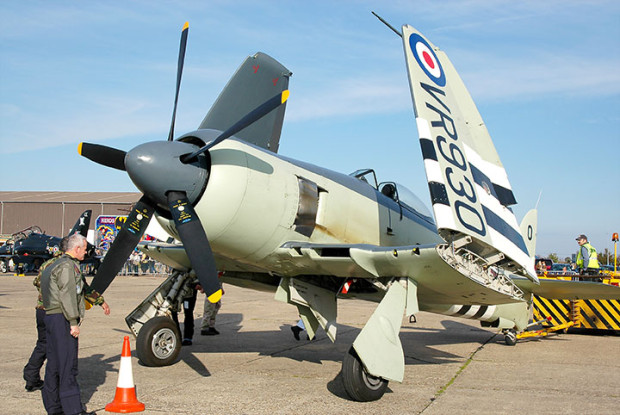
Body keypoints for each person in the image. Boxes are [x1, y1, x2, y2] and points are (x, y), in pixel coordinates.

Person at [23, 237, 110, 393]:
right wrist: (100, 301)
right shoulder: (68, 266)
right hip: (59, 312)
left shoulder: (47, 265)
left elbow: (37, 282)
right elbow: (83, 289)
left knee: (43, 344)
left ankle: (31, 377)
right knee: (61, 352)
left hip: (42, 310)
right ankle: (60, 388)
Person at [40, 234, 97, 415]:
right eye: (85, 248)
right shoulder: (67, 266)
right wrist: (73, 322)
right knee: (68, 366)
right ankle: (73, 410)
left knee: (54, 365)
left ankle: (54, 407)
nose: (86, 252)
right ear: (76, 248)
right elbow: (67, 296)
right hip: (62, 318)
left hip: (50, 316)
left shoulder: (52, 264)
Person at [171, 279, 199, 346]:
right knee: (173, 312)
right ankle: (177, 336)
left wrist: (199, 284)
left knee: (188, 314)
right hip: (177, 289)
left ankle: (187, 338)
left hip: (190, 293)